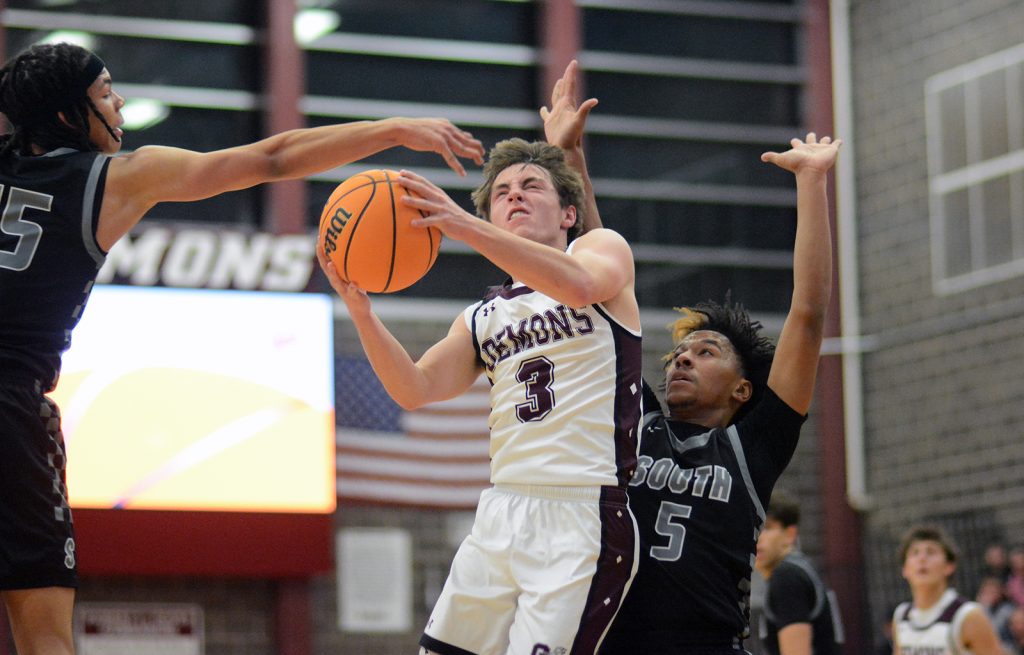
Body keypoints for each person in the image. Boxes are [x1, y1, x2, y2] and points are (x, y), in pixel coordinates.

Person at [0, 41, 485, 655]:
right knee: (43, 635)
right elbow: (273, 157)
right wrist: (393, 128)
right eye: (104, 93)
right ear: (71, 116)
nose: (118, 102)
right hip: (11, 410)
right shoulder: (115, 180)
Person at [318, 63, 642, 654]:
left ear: (568, 213)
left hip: (582, 512)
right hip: (501, 510)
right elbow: (414, 389)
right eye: (501, 194)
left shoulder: (601, 251)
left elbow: (577, 286)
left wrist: (469, 222)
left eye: (531, 187)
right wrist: (363, 314)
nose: (514, 195)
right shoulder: (481, 317)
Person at [597, 130, 841, 655]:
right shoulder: (638, 421)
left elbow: (809, 315)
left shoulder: (754, 447)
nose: (683, 357)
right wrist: (572, 155)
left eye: (707, 352)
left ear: (743, 388)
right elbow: (603, 287)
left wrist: (812, 182)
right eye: (680, 354)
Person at [892, 525, 1006, 655]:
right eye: (915, 553)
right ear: (905, 569)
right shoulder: (901, 616)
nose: (921, 559)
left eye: (931, 552)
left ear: (949, 566)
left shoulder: (967, 616)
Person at [755, 492, 843, 655]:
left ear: (790, 534)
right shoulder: (801, 569)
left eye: (767, 528)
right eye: (754, 528)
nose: (758, 537)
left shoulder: (786, 577)